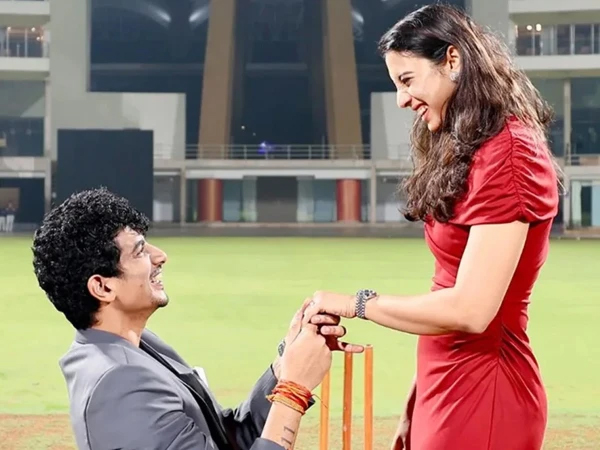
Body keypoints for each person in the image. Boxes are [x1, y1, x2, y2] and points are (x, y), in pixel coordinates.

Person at [301, 4, 560, 450]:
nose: (401, 99)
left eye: (407, 80)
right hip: (445, 385)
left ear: (452, 60)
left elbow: (470, 311)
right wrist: (416, 400)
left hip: (485, 392)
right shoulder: (475, 146)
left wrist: (356, 303)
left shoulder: (510, 154)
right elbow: (448, 289)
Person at [32, 187, 363, 450]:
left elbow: (224, 437)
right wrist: (293, 390)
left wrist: (286, 366)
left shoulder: (138, 346)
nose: (160, 256)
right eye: (140, 251)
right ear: (103, 287)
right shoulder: (120, 383)